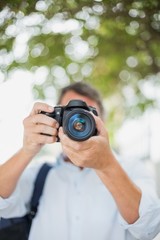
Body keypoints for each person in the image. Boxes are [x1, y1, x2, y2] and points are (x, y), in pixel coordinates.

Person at [0, 82, 160, 240]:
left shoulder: (131, 168)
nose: (77, 123)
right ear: (56, 120)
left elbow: (149, 228)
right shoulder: (40, 174)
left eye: (87, 115)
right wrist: (27, 150)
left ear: (102, 122)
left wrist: (106, 166)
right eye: (69, 113)